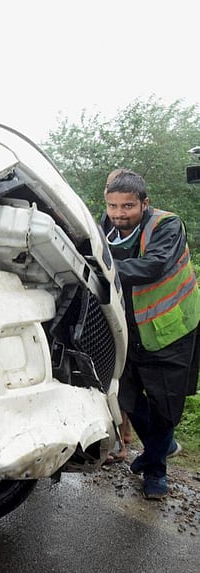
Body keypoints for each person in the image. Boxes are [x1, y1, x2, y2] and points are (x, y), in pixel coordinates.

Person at [100, 169, 198, 499]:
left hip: (169, 329)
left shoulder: (167, 226)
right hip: (127, 330)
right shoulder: (106, 226)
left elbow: (153, 266)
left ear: (145, 203)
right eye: (113, 206)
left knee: (165, 403)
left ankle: (155, 469)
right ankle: (162, 446)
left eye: (127, 206)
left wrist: (98, 268)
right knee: (125, 395)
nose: (118, 214)